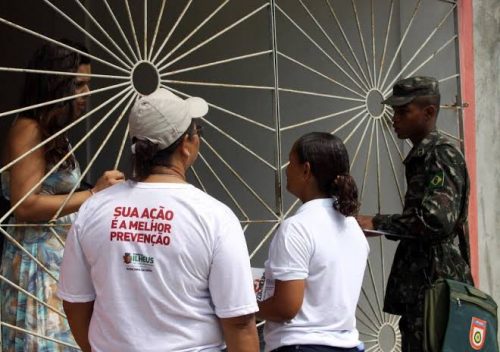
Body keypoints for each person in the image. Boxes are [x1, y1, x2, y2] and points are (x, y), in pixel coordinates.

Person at [57, 88, 260, 352]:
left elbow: (75, 303)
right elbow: (240, 324)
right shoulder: (214, 217)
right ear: (186, 146)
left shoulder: (94, 209)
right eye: (197, 132)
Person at [0, 41, 124, 351]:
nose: (87, 94)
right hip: (38, 261)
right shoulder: (29, 129)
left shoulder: (54, 132)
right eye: (79, 84)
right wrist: (93, 194)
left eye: (88, 84)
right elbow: (25, 205)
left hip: (60, 259)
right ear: (56, 83)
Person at [356, 76, 473, 352]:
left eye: (403, 111)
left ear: (429, 112)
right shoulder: (424, 154)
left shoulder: (440, 154)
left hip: (436, 285)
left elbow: (435, 220)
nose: (394, 118)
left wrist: (379, 222)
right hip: (423, 285)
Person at [258, 132, 369, 352]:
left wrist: (241, 307)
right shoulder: (353, 227)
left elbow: (286, 308)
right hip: (348, 345)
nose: (286, 169)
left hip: (303, 345)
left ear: (306, 170)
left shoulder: (297, 227)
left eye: (290, 162)